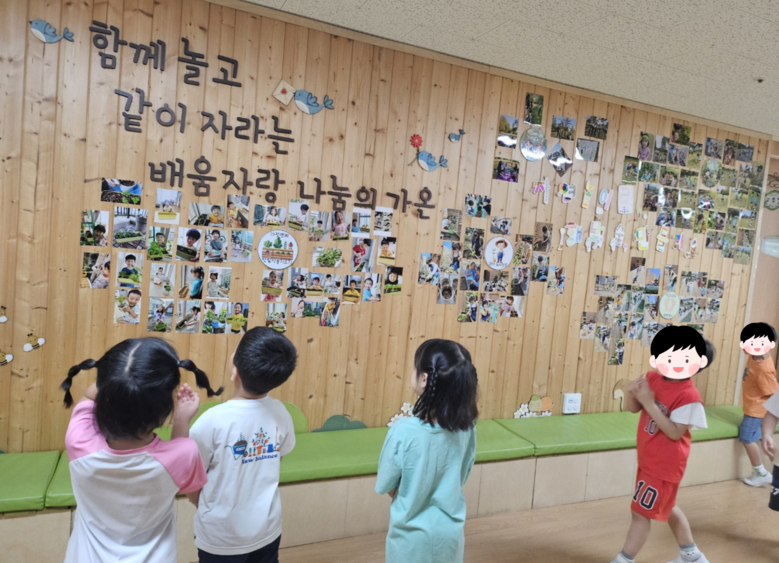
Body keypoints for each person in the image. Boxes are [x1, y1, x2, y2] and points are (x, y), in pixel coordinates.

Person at [59, 338, 222, 563]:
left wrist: (119, 375)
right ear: (164, 408)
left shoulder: (79, 442)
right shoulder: (184, 453)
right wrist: (181, 420)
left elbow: (88, 395)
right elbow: (187, 479)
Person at [611, 325, 714, 563]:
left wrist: (649, 402)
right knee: (668, 507)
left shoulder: (689, 397)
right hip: (649, 458)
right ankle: (691, 556)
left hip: (666, 464)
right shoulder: (652, 378)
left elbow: (675, 432)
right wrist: (632, 393)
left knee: (640, 512)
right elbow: (633, 408)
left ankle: (624, 559)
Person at [376, 339, 478, 563]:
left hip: (409, 541)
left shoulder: (402, 432)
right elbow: (461, 475)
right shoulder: (467, 428)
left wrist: (415, 492)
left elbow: (388, 486)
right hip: (450, 539)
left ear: (424, 379)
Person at [737, 322, 778, 487]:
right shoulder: (755, 355)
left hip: (757, 411)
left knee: (746, 437)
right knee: (761, 439)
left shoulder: (764, 370)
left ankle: (760, 472)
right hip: (753, 408)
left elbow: (775, 396)